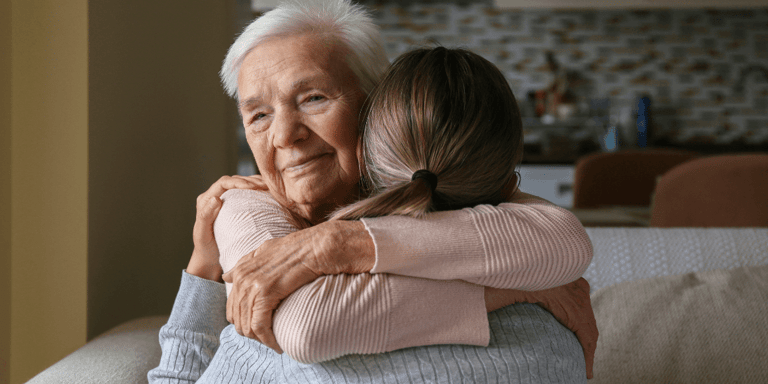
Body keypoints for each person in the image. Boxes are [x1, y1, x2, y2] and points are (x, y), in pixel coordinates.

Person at [148, 0, 596, 382]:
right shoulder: (248, 212)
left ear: (375, 109)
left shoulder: (488, 215)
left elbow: (562, 236)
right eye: (259, 115)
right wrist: (204, 271)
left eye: (314, 98)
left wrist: (336, 242)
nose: (285, 135)